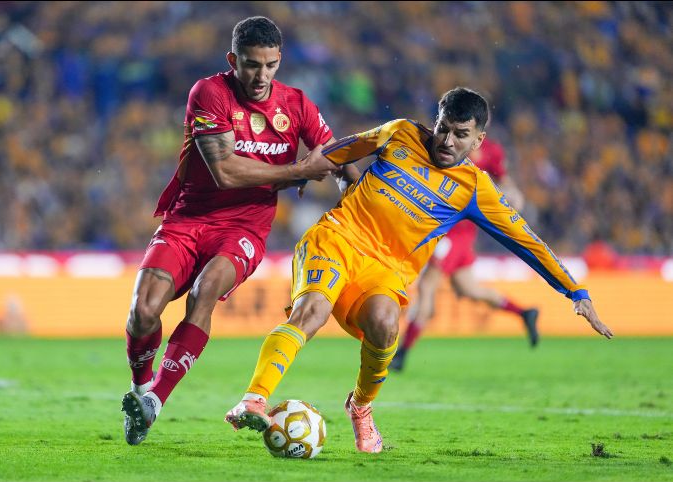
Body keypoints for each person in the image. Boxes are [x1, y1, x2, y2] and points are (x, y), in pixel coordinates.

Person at [223, 87, 613, 454]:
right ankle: (254, 400)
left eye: (461, 135)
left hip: (387, 270)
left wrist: (575, 292)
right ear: (436, 120)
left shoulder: (474, 187)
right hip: (338, 238)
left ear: (478, 141)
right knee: (312, 312)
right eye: (443, 128)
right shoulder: (401, 133)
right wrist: (301, 172)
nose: (447, 141)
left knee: (386, 321)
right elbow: (343, 150)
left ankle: (360, 407)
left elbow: (527, 241)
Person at [120, 16, 357, 446]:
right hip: (188, 219)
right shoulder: (209, 93)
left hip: (244, 227)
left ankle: (155, 401)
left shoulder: (297, 104)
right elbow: (225, 171)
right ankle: (139, 387)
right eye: (251, 65)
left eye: (270, 65)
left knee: (205, 291)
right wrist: (298, 170)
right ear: (233, 60)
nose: (261, 76)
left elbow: (334, 152)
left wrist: (345, 180)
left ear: (279, 61)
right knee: (143, 312)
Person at [390, 139, 539, 373]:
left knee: (428, 286)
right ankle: (524, 313)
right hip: (452, 229)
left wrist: (514, 198)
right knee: (469, 288)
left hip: (454, 231)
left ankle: (402, 354)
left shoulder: (490, 151)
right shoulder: (449, 140)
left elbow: (504, 181)